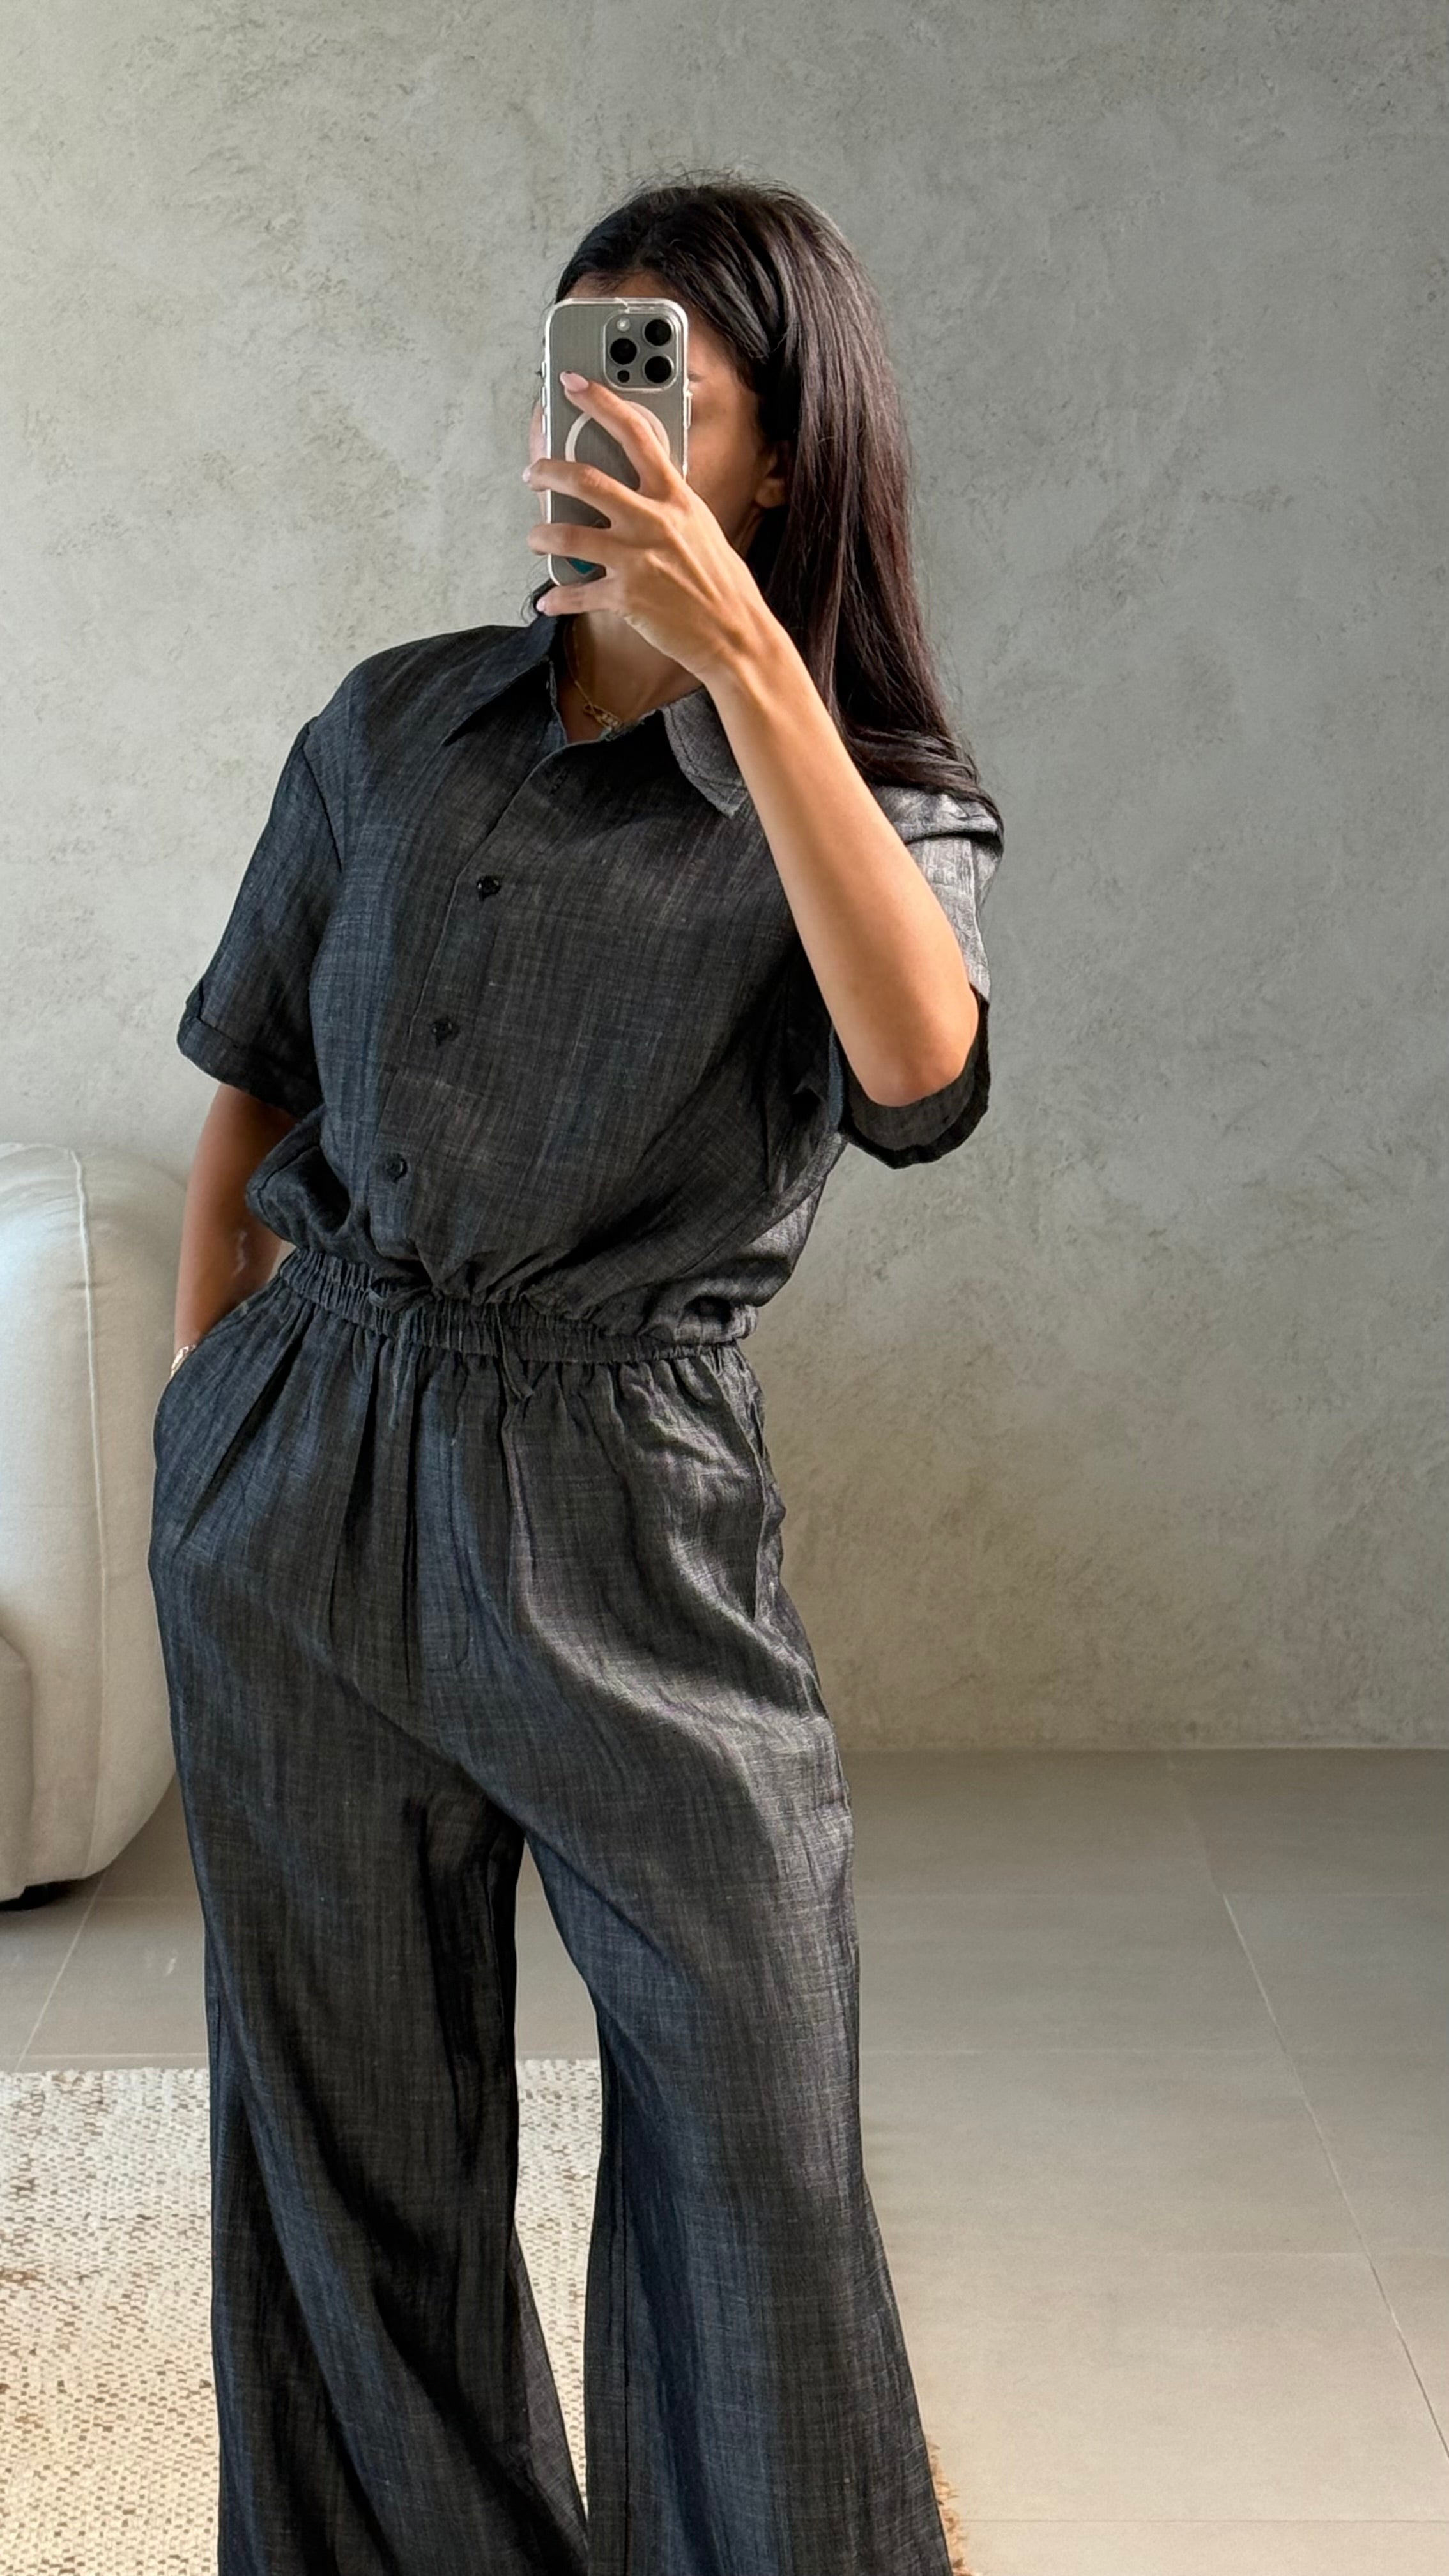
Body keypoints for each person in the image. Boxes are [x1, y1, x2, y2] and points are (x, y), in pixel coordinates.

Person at [149, 170, 1004, 2576]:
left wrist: (744, 671)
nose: (586, 424)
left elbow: (921, 1075)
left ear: (781, 446)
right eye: (570, 367)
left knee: (756, 2134)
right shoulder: (393, 723)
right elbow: (254, 1079)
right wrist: (205, 1425)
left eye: (657, 384)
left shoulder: (878, 798)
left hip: (625, 1506)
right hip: (302, 1468)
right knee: (344, 2141)